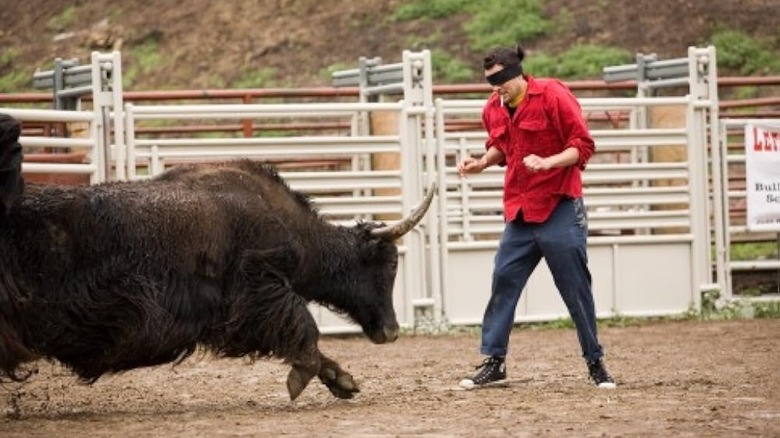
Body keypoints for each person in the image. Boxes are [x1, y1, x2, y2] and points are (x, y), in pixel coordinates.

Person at [456, 45, 615, 389]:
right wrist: (481, 163)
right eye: (489, 82)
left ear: (517, 74)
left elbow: (582, 145)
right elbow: (502, 145)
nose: (495, 88)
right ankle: (494, 362)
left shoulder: (553, 95)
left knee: (575, 287)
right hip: (521, 210)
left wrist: (548, 162)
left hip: (560, 205)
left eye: (500, 81)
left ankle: (595, 361)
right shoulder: (493, 108)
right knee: (503, 280)